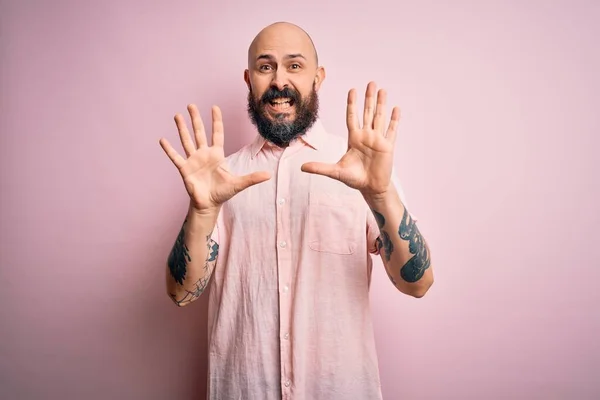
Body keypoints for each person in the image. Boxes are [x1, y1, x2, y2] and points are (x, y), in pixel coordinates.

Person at [159, 21, 434, 400]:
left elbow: (416, 283)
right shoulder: (222, 178)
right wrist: (203, 210)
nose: (279, 81)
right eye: (265, 66)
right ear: (249, 79)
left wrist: (381, 193)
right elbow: (181, 294)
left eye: (294, 65)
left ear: (317, 78)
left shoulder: (362, 169)